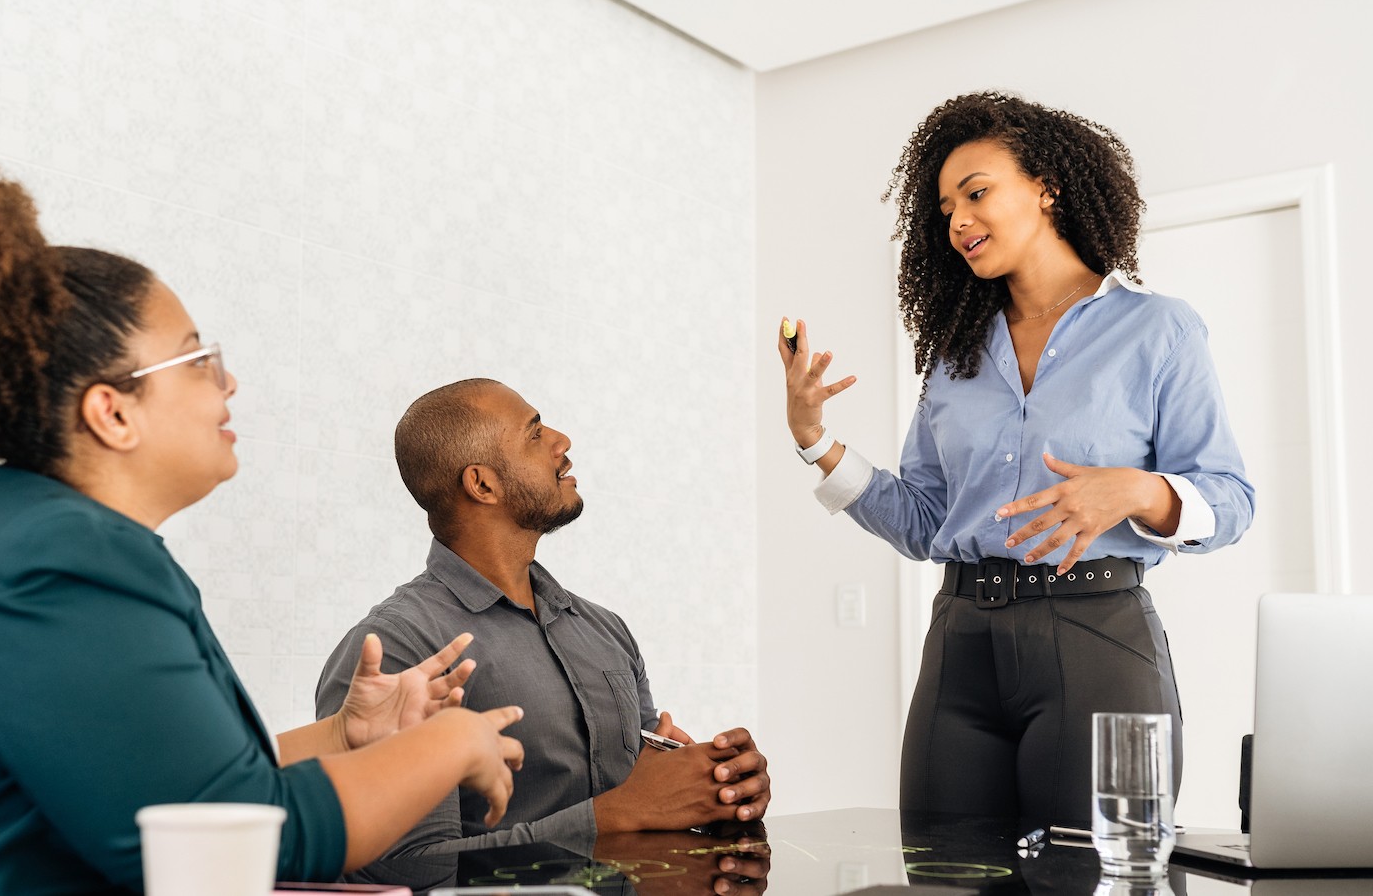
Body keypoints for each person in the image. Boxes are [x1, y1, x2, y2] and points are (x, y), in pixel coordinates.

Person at [0, 155, 524, 895]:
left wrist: (344, 738)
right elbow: (242, 841)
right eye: (198, 360)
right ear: (113, 411)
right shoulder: (55, 566)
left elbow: (177, 795)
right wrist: (450, 743)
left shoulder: (40, 542)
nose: (228, 383)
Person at [778, 92, 1254, 824]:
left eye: (977, 193)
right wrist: (815, 438)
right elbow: (926, 520)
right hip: (960, 643)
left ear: (1046, 187)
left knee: (1087, 879)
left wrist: (1135, 490)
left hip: (1097, 634)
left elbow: (1230, 500)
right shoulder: (952, 356)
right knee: (945, 876)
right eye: (944, 210)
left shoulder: (1158, 329)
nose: (959, 221)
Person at [315, 379, 770, 882]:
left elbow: (647, 797)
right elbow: (396, 869)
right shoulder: (400, 647)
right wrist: (619, 813)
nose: (563, 441)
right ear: (482, 485)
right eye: (534, 434)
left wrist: (716, 790)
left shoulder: (604, 630)